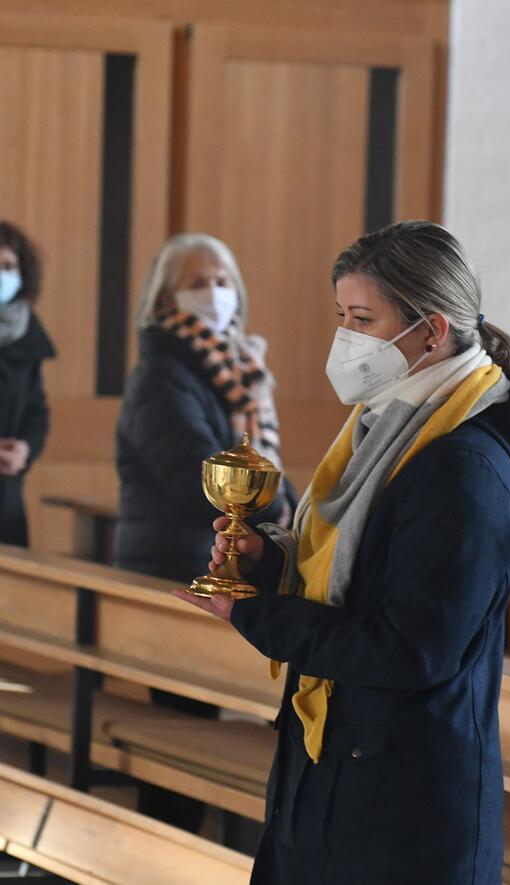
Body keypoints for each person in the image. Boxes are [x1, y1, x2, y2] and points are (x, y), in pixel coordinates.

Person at [176, 221, 510, 884]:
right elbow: (355, 567)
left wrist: (254, 614)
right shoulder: (385, 425)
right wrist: (269, 562)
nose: (344, 338)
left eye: (361, 318)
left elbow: (413, 648)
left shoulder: (462, 467)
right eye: (341, 317)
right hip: (344, 776)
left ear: (431, 332)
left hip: (401, 810)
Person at [114, 233, 295, 832]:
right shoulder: (161, 374)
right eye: (196, 283)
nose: (212, 295)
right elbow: (194, 474)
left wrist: (286, 516)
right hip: (174, 567)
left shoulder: (241, 370)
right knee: (182, 734)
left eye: (221, 282)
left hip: (219, 563)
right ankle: (170, 849)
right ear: (165, 296)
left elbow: (258, 465)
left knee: (217, 722)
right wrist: (277, 513)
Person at [0, 222, 54, 547]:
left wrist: (26, 450)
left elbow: (37, 410)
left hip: (6, 502)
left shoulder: (24, 331)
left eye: (8, 266)